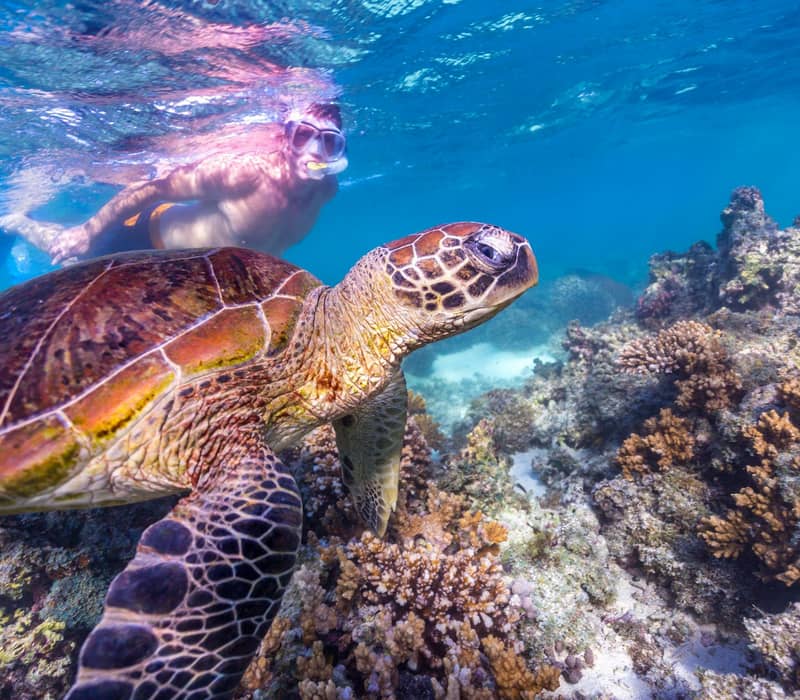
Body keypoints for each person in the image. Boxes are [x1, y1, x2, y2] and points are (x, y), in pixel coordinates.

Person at [2, 103, 347, 264]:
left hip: (198, 274)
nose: (314, 151)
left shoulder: (326, 190)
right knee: (70, 253)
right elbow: (154, 186)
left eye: (329, 142)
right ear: (284, 139)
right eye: (303, 136)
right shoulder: (246, 175)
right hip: (144, 239)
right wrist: (88, 231)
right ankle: (18, 222)